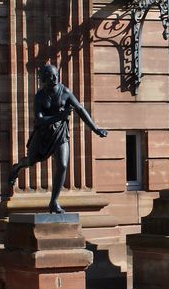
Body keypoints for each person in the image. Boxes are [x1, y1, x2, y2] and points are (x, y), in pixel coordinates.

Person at [6, 64, 108, 213]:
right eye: (50, 77)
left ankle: (53, 202)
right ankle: (17, 167)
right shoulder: (39, 97)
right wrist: (60, 116)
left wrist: (95, 128)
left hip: (60, 133)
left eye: (56, 75)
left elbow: (80, 109)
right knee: (31, 161)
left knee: (63, 165)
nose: (55, 79)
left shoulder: (64, 91)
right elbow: (39, 120)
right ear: (43, 79)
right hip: (42, 135)